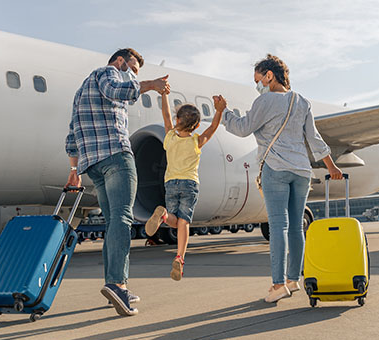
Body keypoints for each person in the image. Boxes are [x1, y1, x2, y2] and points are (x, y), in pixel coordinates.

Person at [221, 54, 343, 303]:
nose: (258, 86)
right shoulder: (302, 101)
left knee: (278, 226)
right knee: (297, 227)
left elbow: (243, 128)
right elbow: (314, 139)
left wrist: (223, 113)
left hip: (275, 169)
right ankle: (292, 280)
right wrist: (331, 167)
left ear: (269, 75)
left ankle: (278, 285)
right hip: (301, 171)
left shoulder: (264, 101)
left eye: (258, 80)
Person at [65, 48, 169, 317]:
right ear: (121, 61)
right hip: (115, 156)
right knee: (123, 219)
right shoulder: (108, 73)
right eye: (133, 69)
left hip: (93, 165)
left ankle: (115, 283)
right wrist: (151, 85)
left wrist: (73, 169)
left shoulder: (81, 91)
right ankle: (117, 284)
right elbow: (117, 91)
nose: (133, 75)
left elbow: (72, 134)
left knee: (113, 223)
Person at [144, 85, 226, 281]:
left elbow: (165, 115)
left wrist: (164, 95)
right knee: (184, 221)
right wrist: (219, 111)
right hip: (190, 184)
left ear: (177, 120)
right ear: (196, 126)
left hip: (171, 183)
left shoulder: (169, 138)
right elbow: (213, 128)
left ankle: (163, 215)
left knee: (174, 219)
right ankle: (180, 257)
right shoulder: (196, 141)